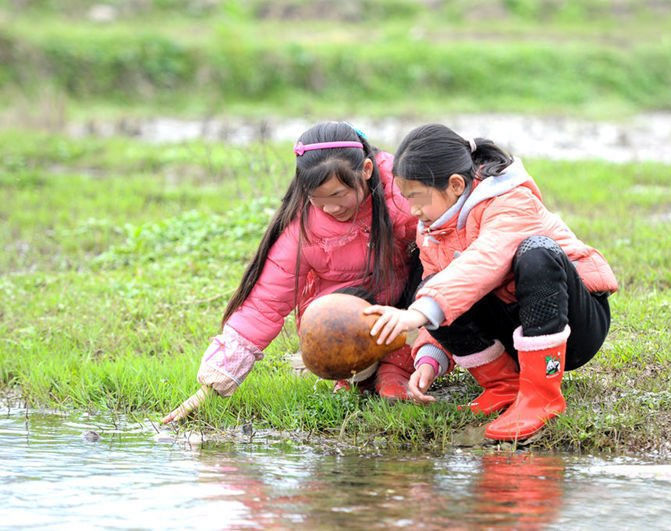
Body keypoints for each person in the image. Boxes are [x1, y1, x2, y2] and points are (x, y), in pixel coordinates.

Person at [364, 124, 618, 441]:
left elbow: (485, 260)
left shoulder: (511, 201)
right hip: (514, 327)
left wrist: (418, 312)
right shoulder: (431, 230)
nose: (413, 210)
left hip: (573, 330)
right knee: (435, 285)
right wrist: (430, 359)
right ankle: (504, 385)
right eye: (407, 198)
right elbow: (448, 293)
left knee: (536, 253)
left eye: (418, 198)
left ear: (456, 184)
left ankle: (542, 395)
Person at [162, 121, 423, 424]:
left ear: (366, 170)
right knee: (327, 328)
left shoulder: (403, 188)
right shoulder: (303, 228)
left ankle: (399, 367)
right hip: (354, 312)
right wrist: (211, 387)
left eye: (339, 195)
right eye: (318, 200)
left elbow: (452, 238)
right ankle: (359, 377)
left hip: (412, 301)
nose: (330, 209)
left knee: (436, 269)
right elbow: (265, 304)